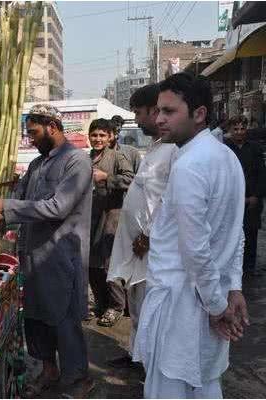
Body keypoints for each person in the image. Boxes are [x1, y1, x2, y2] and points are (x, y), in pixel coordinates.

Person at [133, 72, 249, 398]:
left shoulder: (190, 165)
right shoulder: (225, 156)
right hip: (210, 297)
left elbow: (195, 248)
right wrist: (233, 288)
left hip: (184, 306)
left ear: (199, 114)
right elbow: (234, 233)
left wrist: (216, 308)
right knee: (205, 386)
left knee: (173, 388)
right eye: (157, 110)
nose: (158, 119)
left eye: (169, 112)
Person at [0, 104, 93, 396]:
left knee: (63, 317)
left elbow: (58, 207)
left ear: (52, 126)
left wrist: (5, 207)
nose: (31, 139)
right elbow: (18, 200)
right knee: (36, 317)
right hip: (32, 253)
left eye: (34, 132)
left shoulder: (76, 162)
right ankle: (49, 371)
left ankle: (78, 379)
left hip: (62, 254)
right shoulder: (36, 165)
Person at [107, 84, 177, 369]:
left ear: (154, 110)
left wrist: (148, 234)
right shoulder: (158, 147)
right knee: (136, 306)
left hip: (153, 248)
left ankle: (151, 366)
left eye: (138, 112)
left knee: (151, 309)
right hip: (138, 248)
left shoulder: (174, 150)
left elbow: (169, 199)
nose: (136, 119)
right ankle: (137, 355)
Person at [88, 118, 134, 327]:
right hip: (90, 216)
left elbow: (131, 180)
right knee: (91, 264)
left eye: (102, 135)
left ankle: (116, 306)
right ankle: (100, 303)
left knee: (109, 263)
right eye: (94, 135)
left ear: (109, 138)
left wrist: (107, 177)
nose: (97, 139)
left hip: (112, 215)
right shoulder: (84, 158)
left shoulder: (117, 156)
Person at [224, 115, 266, 276]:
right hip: (231, 201)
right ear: (230, 130)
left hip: (252, 201)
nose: (239, 132)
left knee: (251, 232)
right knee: (231, 234)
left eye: (242, 128)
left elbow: (262, 174)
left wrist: (256, 196)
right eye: (236, 129)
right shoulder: (225, 149)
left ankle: (249, 267)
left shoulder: (255, 149)